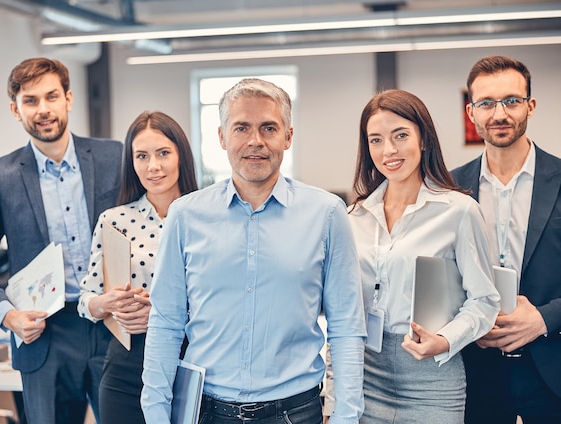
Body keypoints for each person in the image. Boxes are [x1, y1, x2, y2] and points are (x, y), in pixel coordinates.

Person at [140, 78, 366, 424]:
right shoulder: (185, 216)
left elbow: (346, 325)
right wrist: (156, 414)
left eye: (269, 128)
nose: (255, 141)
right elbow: (166, 323)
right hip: (206, 411)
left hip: (294, 412)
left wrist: (346, 416)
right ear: (221, 136)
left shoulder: (327, 214)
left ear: (288, 136)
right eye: (241, 127)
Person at [0, 57, 122, 424]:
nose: (43, 109)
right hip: (43, 333)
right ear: (16, 110)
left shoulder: (114, 157)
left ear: (68, 98)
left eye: (51, 96)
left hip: (111, 323)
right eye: (30, 100)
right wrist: (9, 316)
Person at [324, 89, 500, 424]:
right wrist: (333, 400)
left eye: (400, 135)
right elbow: (342, 314)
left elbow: (485, 300)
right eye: (376, 140)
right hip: (366, 372)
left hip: (431, 377)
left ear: (423, 140)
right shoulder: (352, 218)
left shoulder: (458, 211)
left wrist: (445, 340)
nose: (388, 150)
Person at [452, 55, 561, 424]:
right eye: (486, 103)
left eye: (512, 101)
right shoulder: (448, 189)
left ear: (530, 106)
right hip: (474, 371)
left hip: (552, 368)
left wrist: (545, 318)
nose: (500, 114)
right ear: (471, 112)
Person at [77, 110, 198, 423]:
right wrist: (108, 302)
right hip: (127, 364)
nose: (153, 166)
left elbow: (228, 302)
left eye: (163, 153)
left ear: (181, 156)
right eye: (141, 156)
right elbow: (86, 299)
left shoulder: (207, 218)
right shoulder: (113, 220)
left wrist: (161, 313)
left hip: (192, 359)